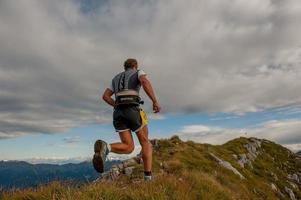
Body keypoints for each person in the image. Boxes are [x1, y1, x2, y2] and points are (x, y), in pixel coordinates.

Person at [93, 58, 161, 181]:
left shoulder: (115, 78)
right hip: (132, 110)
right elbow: (144, 82)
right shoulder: (138, 72)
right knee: (145, 143)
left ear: (125, 67)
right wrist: (155, 101)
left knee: (128, 147)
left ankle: (106, 147)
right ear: (135, 66)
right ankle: (148, 178)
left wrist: (116, 105)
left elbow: (105, 96)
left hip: (118, 113)